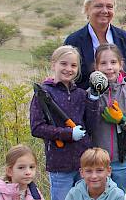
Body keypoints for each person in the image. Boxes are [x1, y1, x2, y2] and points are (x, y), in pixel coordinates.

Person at [30, 45, 97, 200]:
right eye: (64, 64)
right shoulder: (44, 93)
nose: (69, 69)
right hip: (59, 163)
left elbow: (91, 126)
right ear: (54, 64)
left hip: (84, 164)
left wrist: (93, 100)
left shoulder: (81, 94)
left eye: (73, 65)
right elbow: (37, 128)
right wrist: (68, 134)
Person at [89, 43, 126, 191]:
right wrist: (94, 99)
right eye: (103, 63)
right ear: (96, 67)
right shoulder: (90, 93)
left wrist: (124, 120)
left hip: (120, 159)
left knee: (118, 193)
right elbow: (85, 121)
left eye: (113, 62)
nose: (109, 67)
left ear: (121, 64)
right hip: (96, 160)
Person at [65, 0, 126, 96]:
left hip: (123, 108)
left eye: (109, 6)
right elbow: (67, 81)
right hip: (86, 107)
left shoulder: (123, 37)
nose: (105, 11)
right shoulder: (74, 41)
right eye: (99, 6)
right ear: (87, 8)